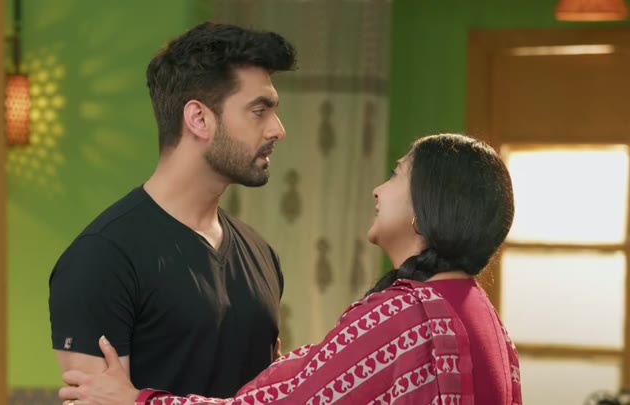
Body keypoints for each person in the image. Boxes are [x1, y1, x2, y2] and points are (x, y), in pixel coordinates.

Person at [58, 134, 523, 405]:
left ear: (425, 209)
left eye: (396, 175)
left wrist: (137, 400)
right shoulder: (483, 317)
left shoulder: (405, 317)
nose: (378, 190)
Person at [48, 22, 297, 398]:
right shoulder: (101, 259)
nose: (278, 129)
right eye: (259, 111)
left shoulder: (261, 254)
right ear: (199, 119)